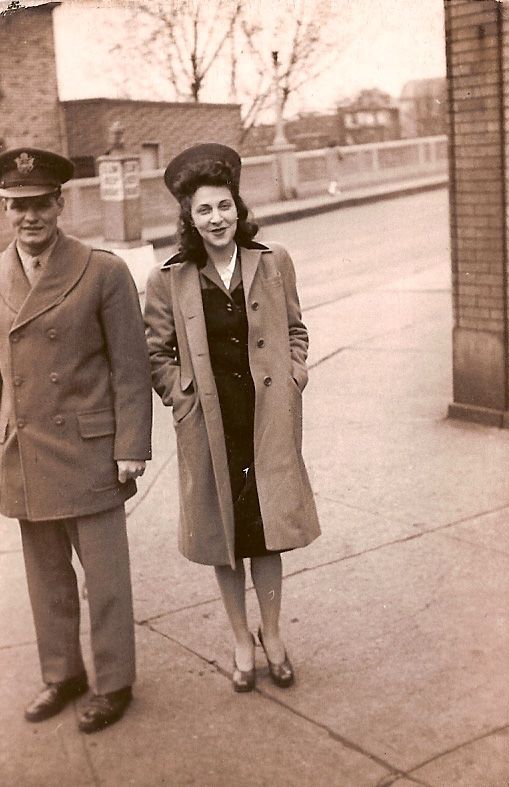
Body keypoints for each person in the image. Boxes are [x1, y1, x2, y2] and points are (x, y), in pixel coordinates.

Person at [144, 143, 320, 692]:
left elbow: (295, 329)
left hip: (265, 418)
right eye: (204, 211)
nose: (216, 220)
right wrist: (183, 397)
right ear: (189, 219)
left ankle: (273, 635)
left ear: (237, 209)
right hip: (211, 423)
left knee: (267, 532)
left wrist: (294, 375)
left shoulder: (273, 261)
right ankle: (241, 639)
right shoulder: (168, 279)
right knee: (225, 536)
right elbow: (156, 353)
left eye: (223, 207)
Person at [0, 148, 152, 732]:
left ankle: (114, 683)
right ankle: (62, 674)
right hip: (26, 448)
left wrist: (130, 445)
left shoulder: (102, 270)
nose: (29, 217)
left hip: (90, 449)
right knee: (45, 578)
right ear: (5, 208)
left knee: (106, 579)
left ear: (60, 204)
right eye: (17, 205)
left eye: (40, 203)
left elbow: (131, 368)